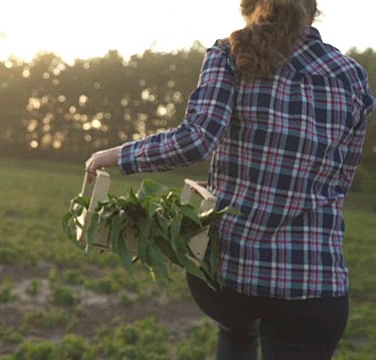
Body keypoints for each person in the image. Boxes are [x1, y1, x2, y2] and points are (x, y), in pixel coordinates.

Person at [84, 0, 375, 359]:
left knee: (236, 329)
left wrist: (114, 156)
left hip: (231, 278)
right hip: (314, 284)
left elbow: (195, 140)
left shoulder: (230, 52)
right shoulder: (351, 75)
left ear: (250, 9)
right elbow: (342, 178)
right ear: (313, 11)